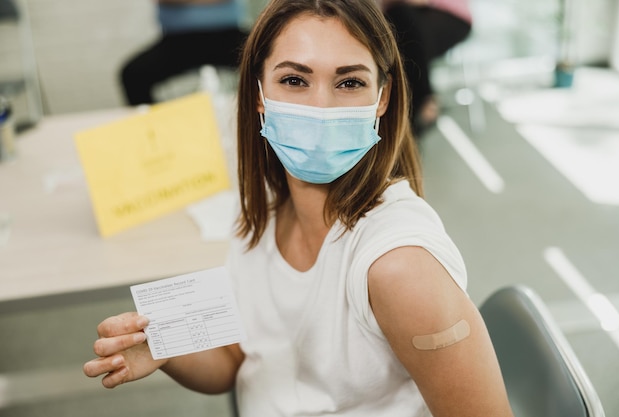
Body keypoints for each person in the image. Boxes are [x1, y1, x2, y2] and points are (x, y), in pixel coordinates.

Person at [84, 1, 513, 416]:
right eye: (294, 80)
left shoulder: (400, 268)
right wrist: (166, 347)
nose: (320, 108)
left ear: (381, 100)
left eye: (349, 83)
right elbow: (240, 357)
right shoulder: (262, 211)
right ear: (257, 93)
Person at [120, 0, 249, 105]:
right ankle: (152, 129)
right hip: (178, 42)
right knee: (133, 75)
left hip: (227, 35)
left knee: (264, 58)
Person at [379, 0, 472, 135]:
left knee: (403, 28)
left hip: (449, 14)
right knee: (395, 31)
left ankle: (421, 102)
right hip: (401, 17)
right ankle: (419, 106)